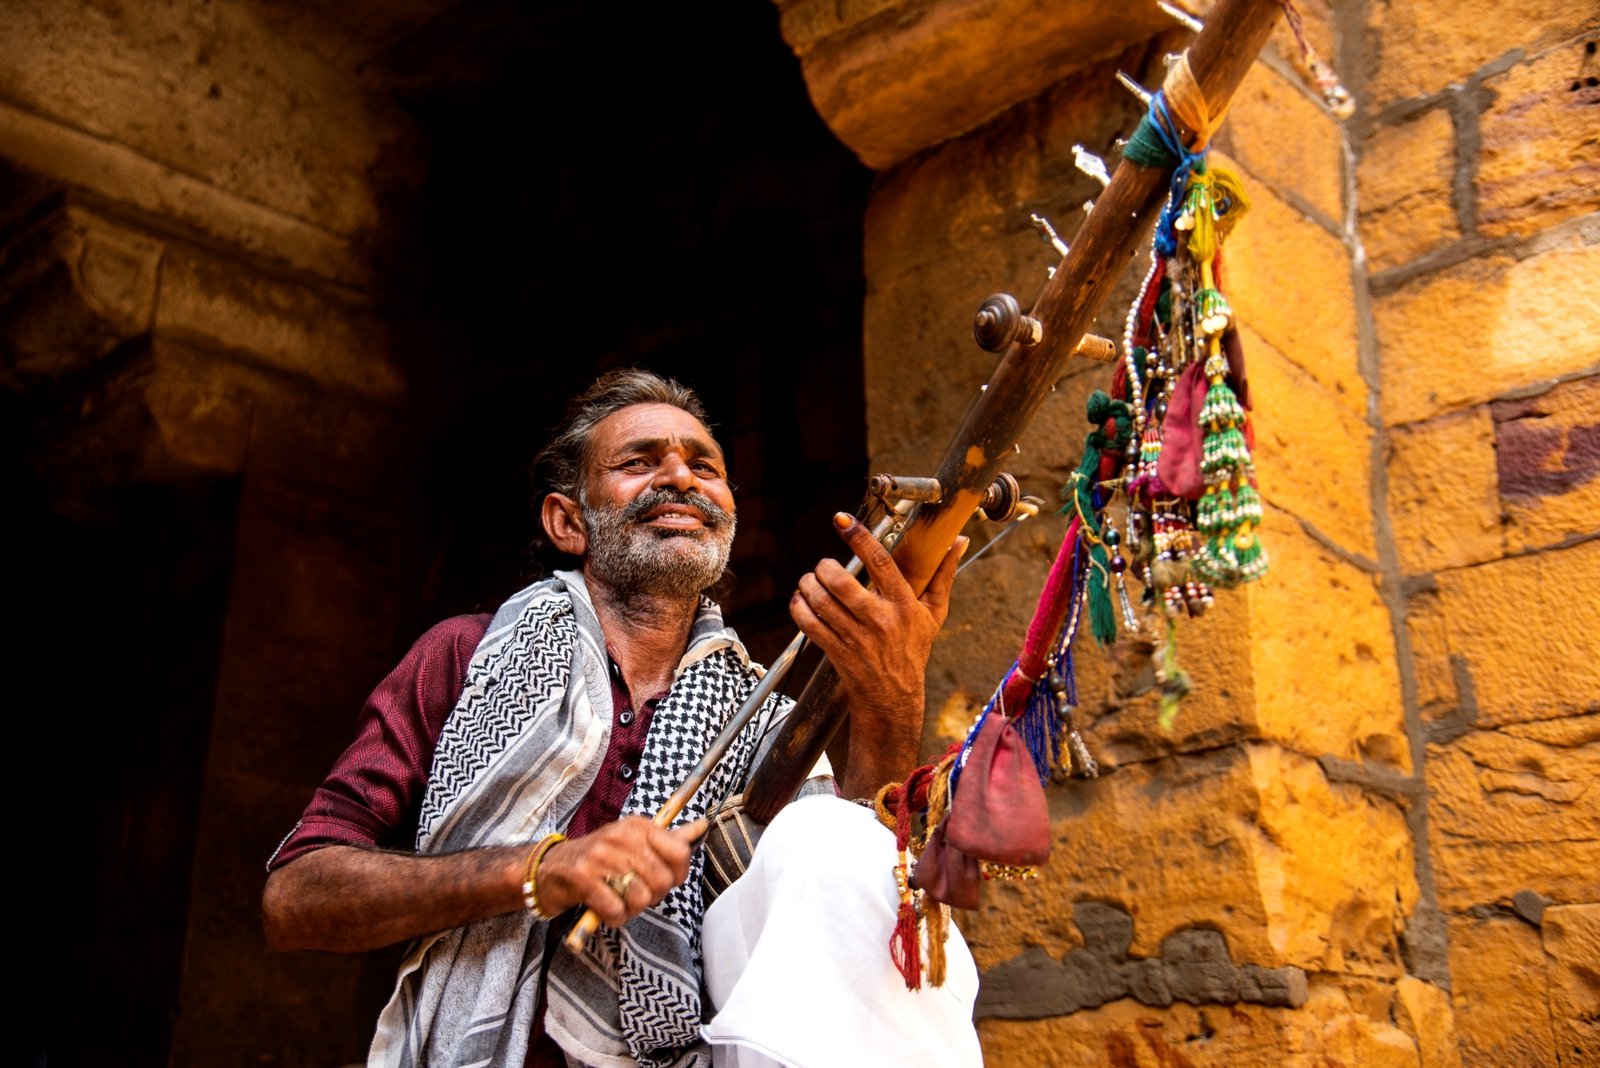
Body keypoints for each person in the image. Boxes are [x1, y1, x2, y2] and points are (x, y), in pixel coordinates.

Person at [262, 368, 980, 1068]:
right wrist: (542, 868)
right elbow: (295, 897)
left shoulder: (772, 721)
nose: (680, 477)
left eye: (705, 465)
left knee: (825, 838)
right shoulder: (465, 657)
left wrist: (891, 702)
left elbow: (866, 932)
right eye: (641, 461)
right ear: (568, 521)